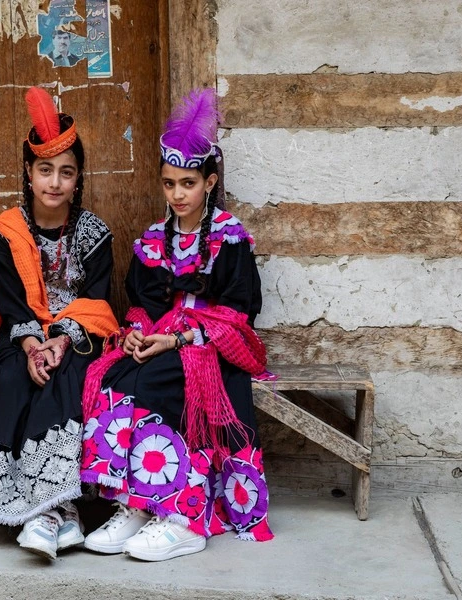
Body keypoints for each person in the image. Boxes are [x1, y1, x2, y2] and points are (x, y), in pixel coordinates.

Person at [78, 88, 273, 562]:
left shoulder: (230, 238)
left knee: (163, 385)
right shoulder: (150, 241)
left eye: (188, 183)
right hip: (164, 339)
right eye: (169, 184)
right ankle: (135, 504)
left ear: (209, 182)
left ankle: (183, 518)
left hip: (210, 347)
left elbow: (239, 313)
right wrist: (142, 333)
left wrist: (181, 337)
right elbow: (140, 305)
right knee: (114, 379)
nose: (178, 194)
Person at [0, 86, 118, 560]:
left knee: (69, 378)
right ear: (29, 172)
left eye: (67, 172)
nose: (55, 183)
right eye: (46, 170)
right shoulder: (7, 231)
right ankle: (36, 510)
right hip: (21, 337)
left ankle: (57, 509)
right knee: (4, 376)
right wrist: (31, 347)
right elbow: (12, 305)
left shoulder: (95, 234)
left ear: (79, 178)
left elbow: (96, 304)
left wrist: (60, 343)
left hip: (79, 338)